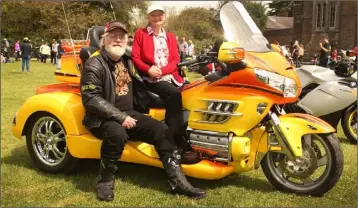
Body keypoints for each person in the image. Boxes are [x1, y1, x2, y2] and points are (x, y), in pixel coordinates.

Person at [80, 20, 206, 201]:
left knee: (162, 130)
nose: (117, 40)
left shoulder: (127, 59)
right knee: (117, 133)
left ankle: (177, 181)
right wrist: (119, 117)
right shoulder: (94, 64)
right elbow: (91, 98)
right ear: (104, 39)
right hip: (101, 118)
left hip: (129, 114)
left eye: (121, 36)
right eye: (113, 36)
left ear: (126, 40)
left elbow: (149, 66)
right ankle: (105, 181)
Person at [131, 4, 201, 162]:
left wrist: (162, 71)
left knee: (196, 92)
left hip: (169, 75)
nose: (156, 18)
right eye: (153, 15)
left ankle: (196, 135)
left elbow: (176, 60)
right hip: (150, 78)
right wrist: (149, 70)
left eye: (159, 15)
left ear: (164, 17)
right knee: (173, 94)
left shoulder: (170, 36)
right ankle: (175, 141)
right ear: (148, 17)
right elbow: (135, 57)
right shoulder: (140, 34)